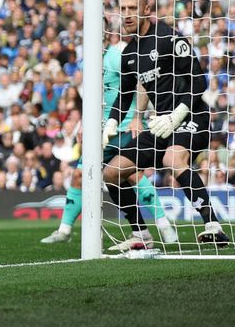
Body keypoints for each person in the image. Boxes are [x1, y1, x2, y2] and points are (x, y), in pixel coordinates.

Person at [102, 0, 227, 250]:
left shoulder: (170, 37)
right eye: (122, 8)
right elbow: (125, 96)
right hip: (160, 125)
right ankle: (140, 234)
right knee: (111, 173)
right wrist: (111, 122)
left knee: (173, 158)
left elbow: (199, 81)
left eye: (133, 8)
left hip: (192, 115)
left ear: (146, 8)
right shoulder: (129, 55)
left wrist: (177, 114)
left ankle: (212, 225)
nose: (127, 14)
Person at [41, 37, 178, 245]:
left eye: (103, 35)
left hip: (123, 126)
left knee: (132, 175)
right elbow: (92, 97)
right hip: (100, 131)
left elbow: (141, 82)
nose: (100, 39)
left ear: (106, 36)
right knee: (79, 175)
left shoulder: (116, 57)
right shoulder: (86, 63)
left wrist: (136, 117)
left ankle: (164, 225)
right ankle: (65, 230)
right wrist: (85, 124)